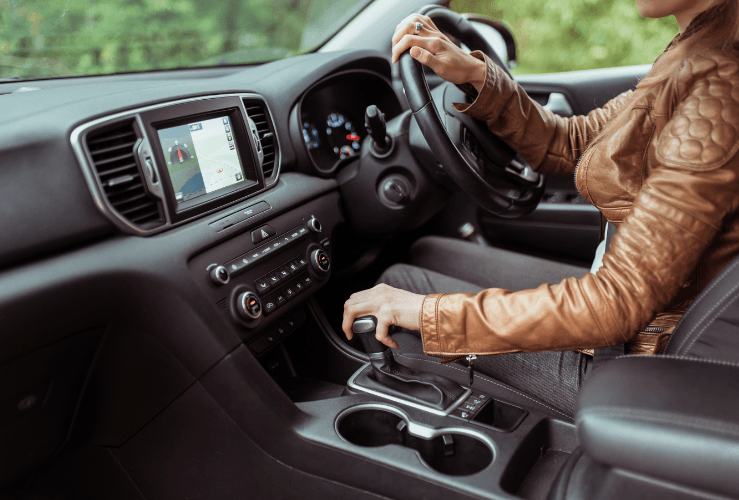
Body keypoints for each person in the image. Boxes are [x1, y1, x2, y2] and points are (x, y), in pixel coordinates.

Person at [341, 0, 739, 416]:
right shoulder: (699, 47)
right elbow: (576, 141)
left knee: (399, 287)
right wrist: (478, 76)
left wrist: (426, 314)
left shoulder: (719, 87)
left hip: (640, 357)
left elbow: (617, 304)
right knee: (426, 253)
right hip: (646, 312)